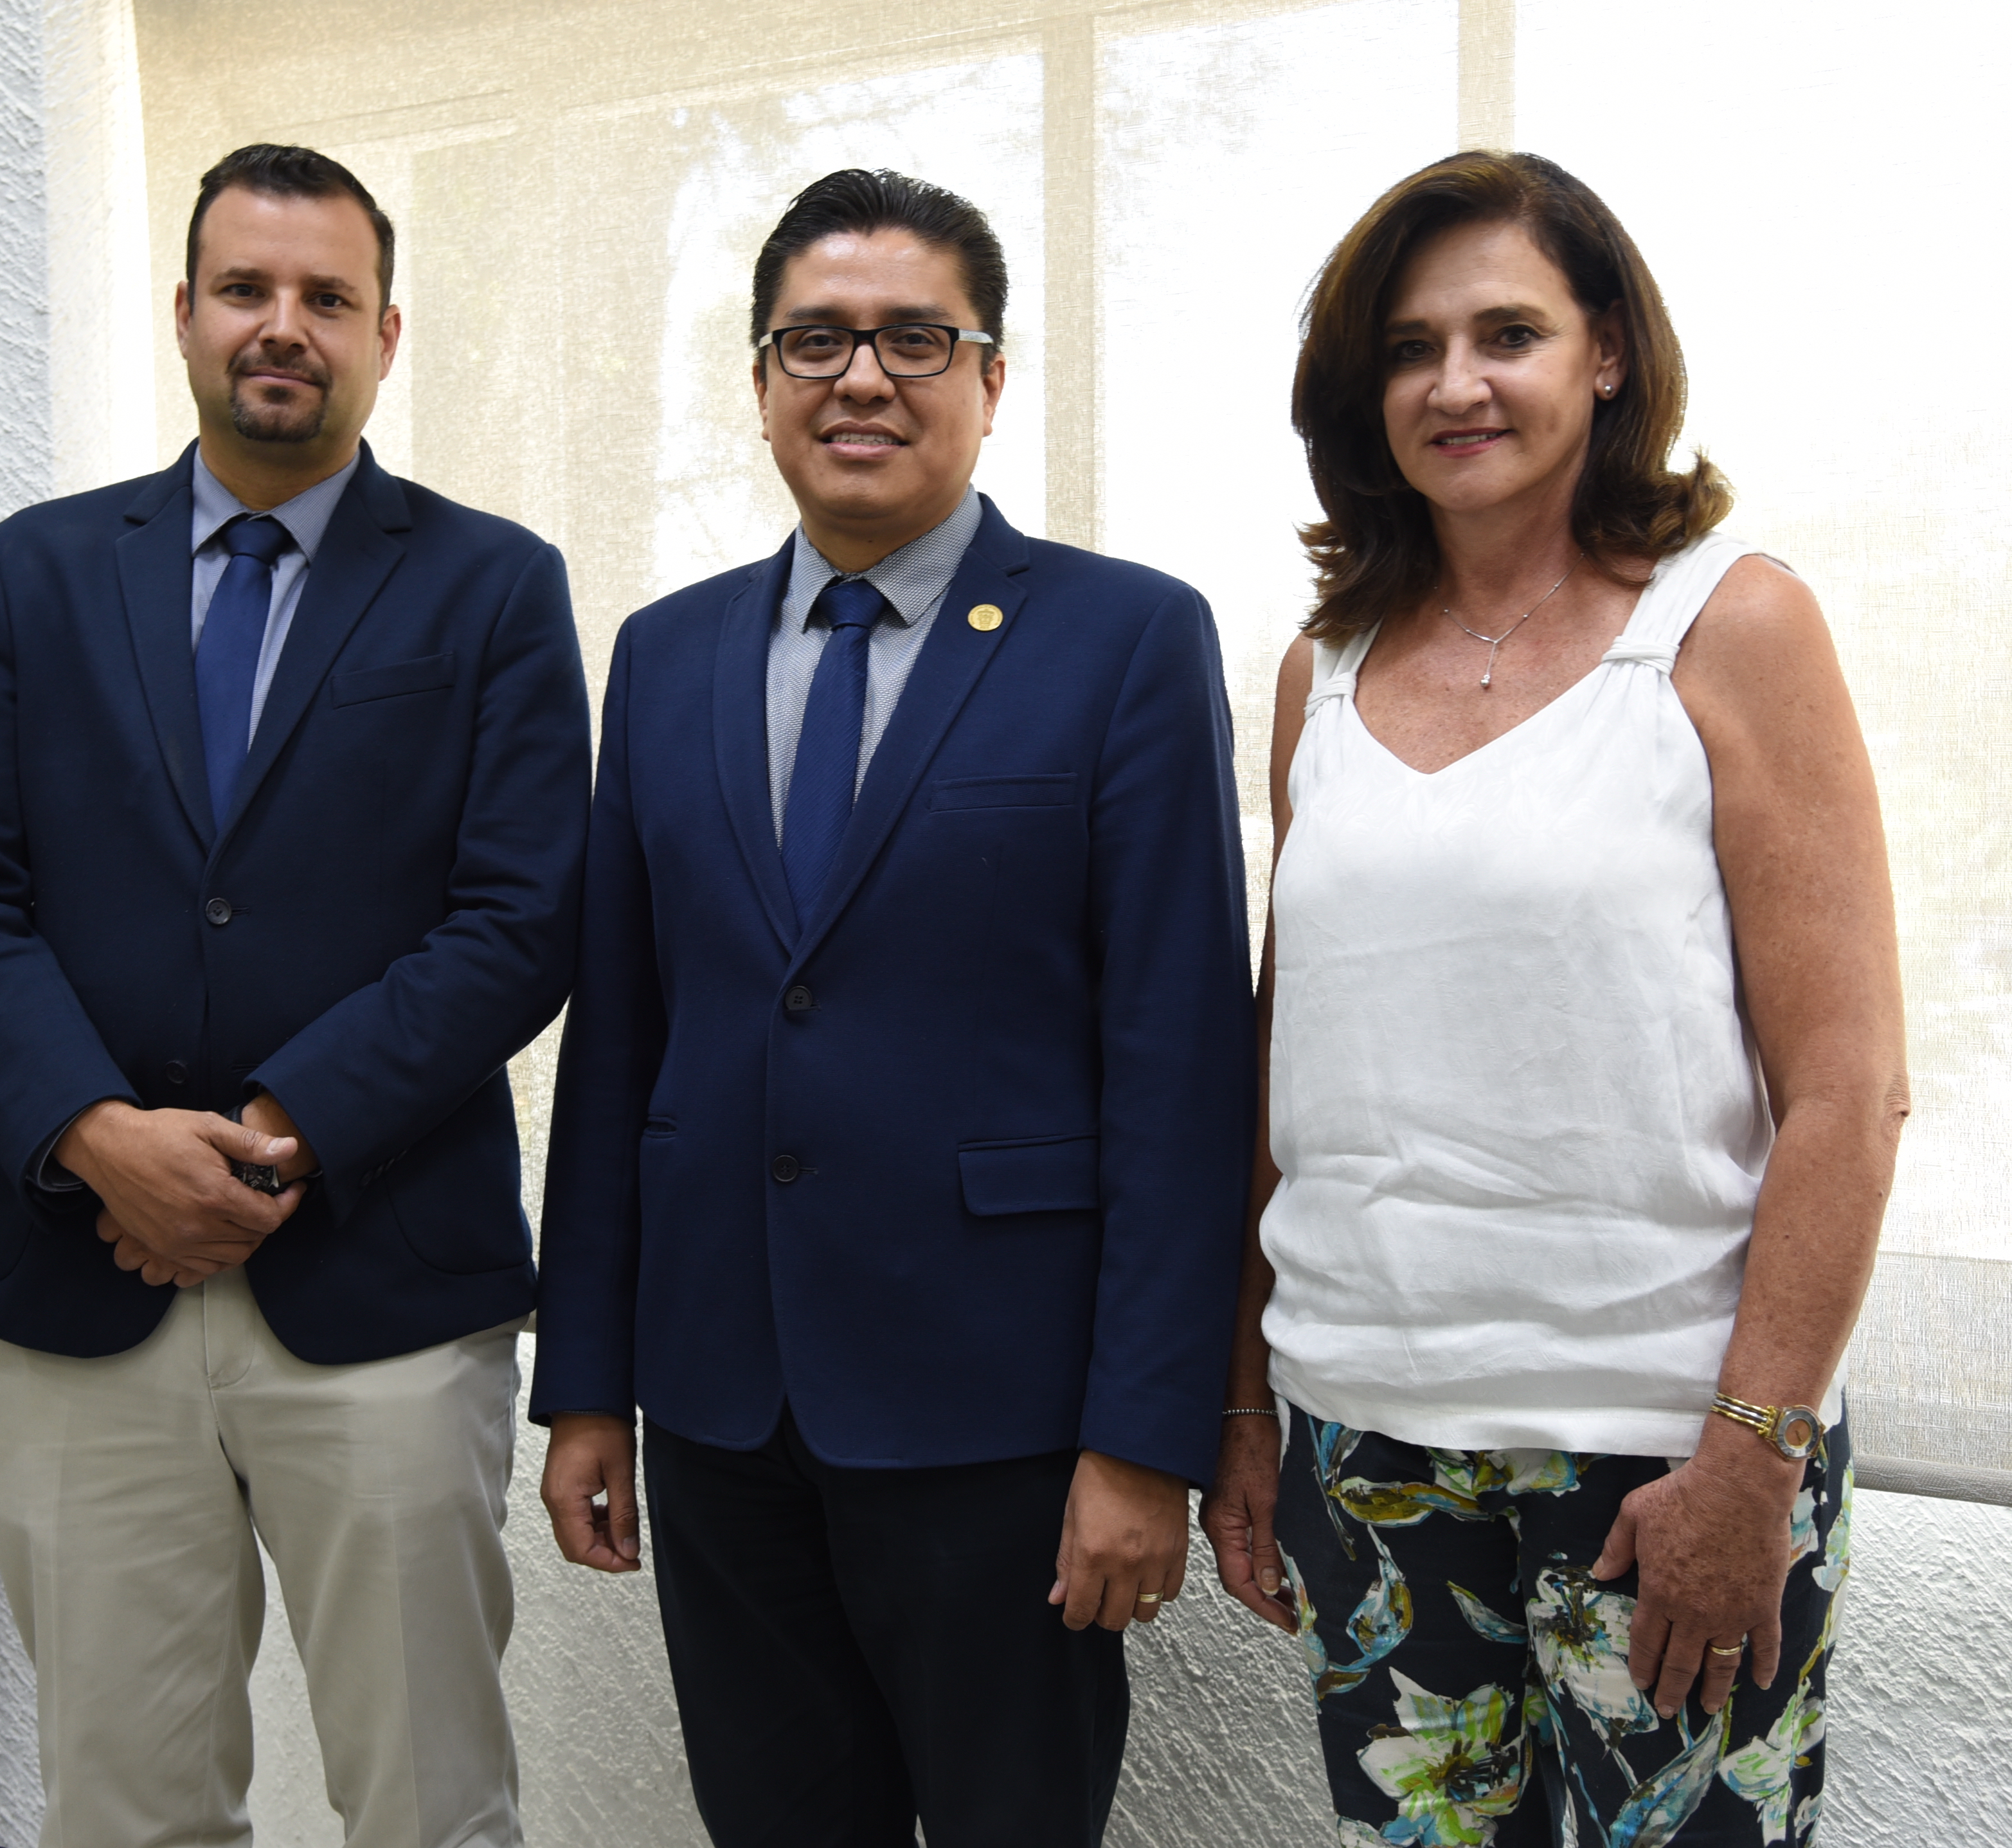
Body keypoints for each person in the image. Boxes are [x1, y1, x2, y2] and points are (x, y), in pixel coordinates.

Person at [531, 168, 1255, 1847]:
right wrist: (586, 1378)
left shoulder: (1125, 638)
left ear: (990, 376)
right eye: (817, 340)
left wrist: (1146, 1440)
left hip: (1003, 1414)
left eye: (916, 337)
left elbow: (1180, 1058)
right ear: (764, 377)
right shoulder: (666, 655)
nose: (862, 377)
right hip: (723, 1401)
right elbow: (623, 1041)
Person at [1200, 151, 1907, 1847]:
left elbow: (1849, 1087)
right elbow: (1292, 1072)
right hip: (1361, 1436)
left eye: (1506, 331)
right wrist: (1239, 1401)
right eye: (1408, 347)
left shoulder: (1730, 624)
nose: (1454, 383)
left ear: (1606, 354)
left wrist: (1752, 1455)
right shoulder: (1327, 664)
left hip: (1663, 1453)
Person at [0, 144, 588, 1848]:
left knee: (429, 1800)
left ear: (386, 334)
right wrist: (99, 1134)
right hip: (79, 1276)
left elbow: (522, 915)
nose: (286, 327)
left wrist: (279, 1131)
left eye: (326, 297)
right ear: (187, 313)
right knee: (125, 1805)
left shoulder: (491, 587)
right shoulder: (35, 572)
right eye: (249, 290)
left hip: (384, 1286)